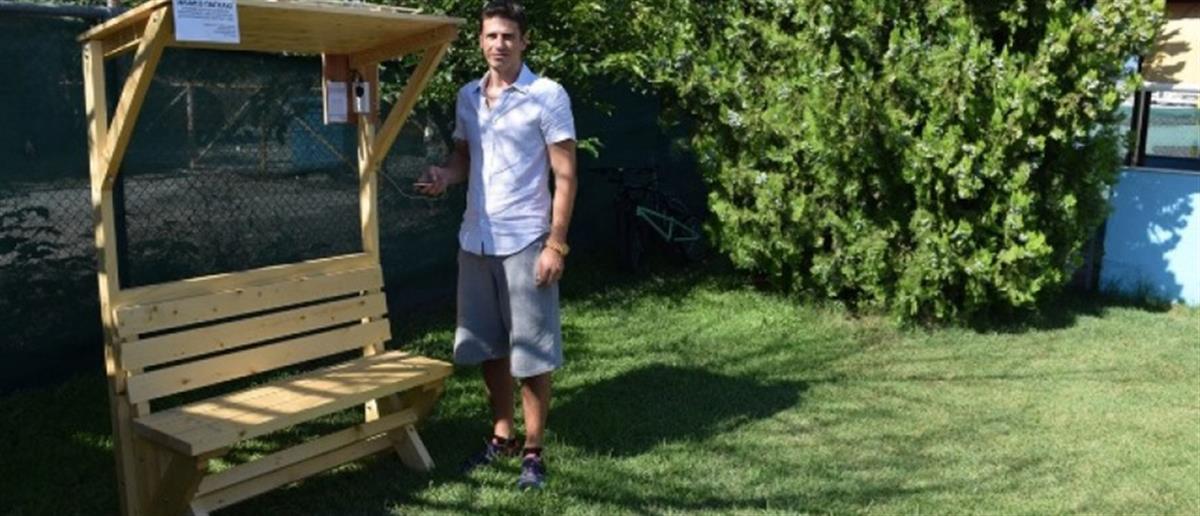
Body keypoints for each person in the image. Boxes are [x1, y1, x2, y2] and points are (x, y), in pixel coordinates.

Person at [416, 0, 576, 490]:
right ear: (480, 41)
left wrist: (556, 244)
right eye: (491, 35)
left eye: (508, 36)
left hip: (526, 239)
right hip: (475, 240)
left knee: (532, 352)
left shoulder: (546, 95)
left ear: (524, 41)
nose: (499, 44)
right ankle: (502, 435)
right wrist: (445, 176)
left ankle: (533, 451)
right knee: (489, 345)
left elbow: (566, 175)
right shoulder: (468, 96)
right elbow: (465, 158)